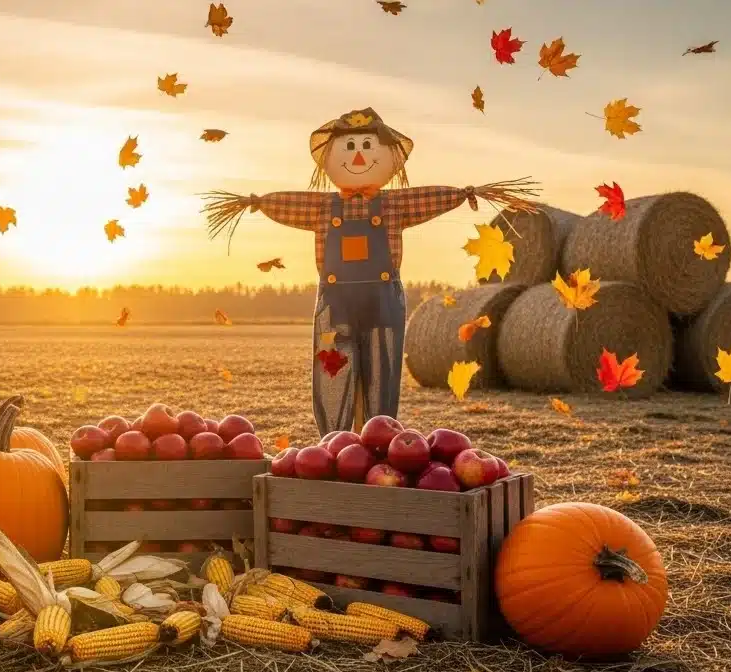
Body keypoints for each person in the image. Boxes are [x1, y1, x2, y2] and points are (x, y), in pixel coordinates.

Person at [202, 108, 537, 435]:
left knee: (382, 368)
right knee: (333, 366)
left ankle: (378, 435)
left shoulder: (394, 205)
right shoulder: (322, 208)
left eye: (367, 147)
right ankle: (334, 439)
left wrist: (464, 195)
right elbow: (289, 203)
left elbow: (430, 197)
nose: (359, 156)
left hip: (382, 303)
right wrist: (258, 202)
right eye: (349, 147)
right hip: (337, 303)